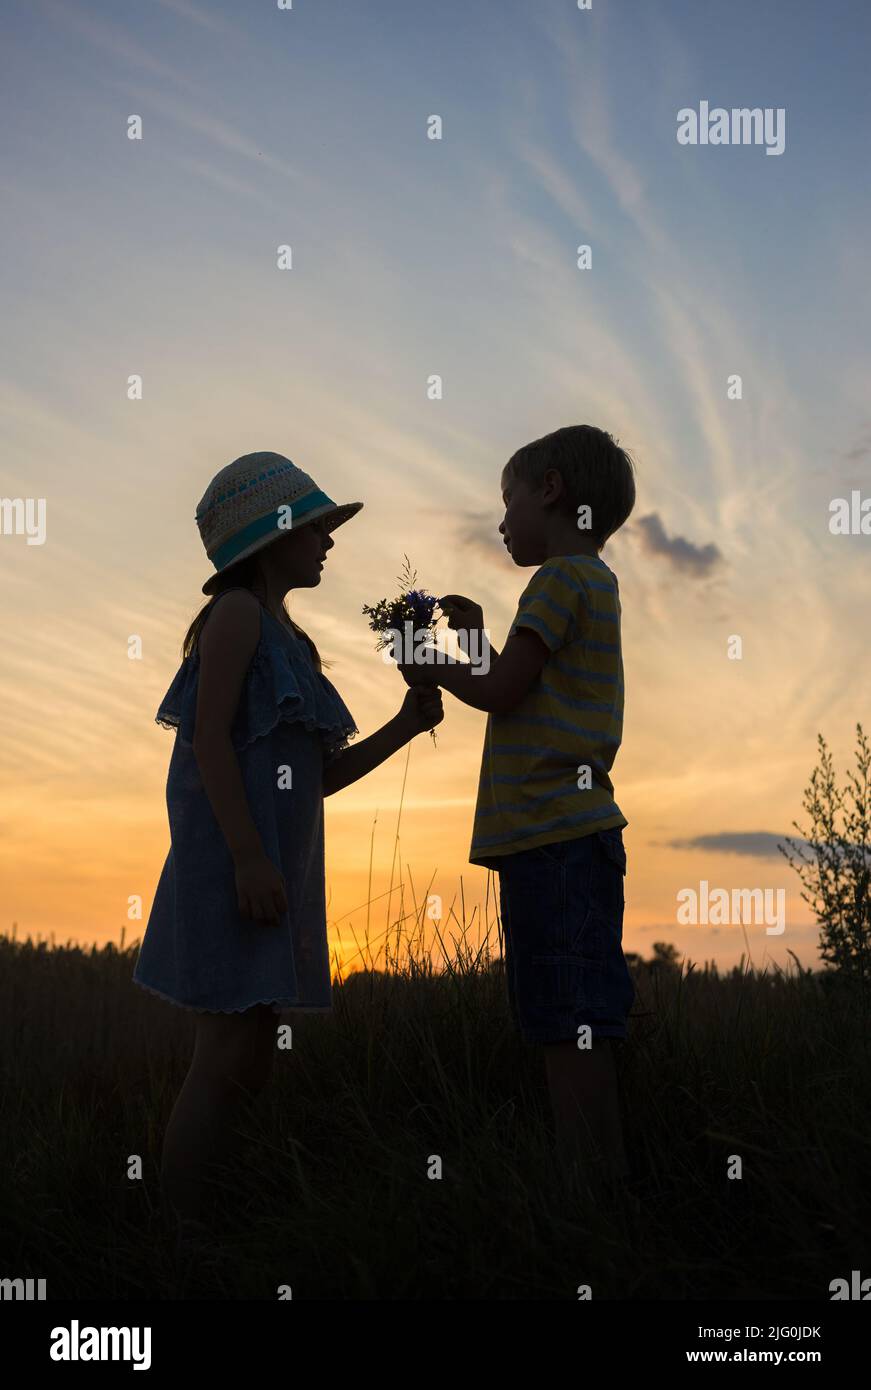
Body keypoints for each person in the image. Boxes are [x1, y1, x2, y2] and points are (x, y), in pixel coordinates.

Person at [133, 451, 443, 1230]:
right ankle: (181, 1234)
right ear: (272, 537)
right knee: (225, 1051)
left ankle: (215, 1208)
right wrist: (245, 857)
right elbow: (207, 743)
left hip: (273, 868)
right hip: (238, 865)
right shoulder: (237, 618)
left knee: (254, 1048)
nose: (328, 541)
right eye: (314, 528)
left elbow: (321, 780)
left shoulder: (288, 640)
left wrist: (404, 729)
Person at [395, 424, 636, 1192]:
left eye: (508, 502)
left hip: (553, 842)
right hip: (568, 839)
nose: (501, 522)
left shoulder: (558, 581)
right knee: (577, 1020)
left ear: (551, 491)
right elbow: (519, 682)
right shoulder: (590, 582)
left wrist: (425, 660)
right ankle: (602, 1187)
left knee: (565, 1026)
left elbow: (501, 692)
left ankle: (591, 1199)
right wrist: (470, 638)